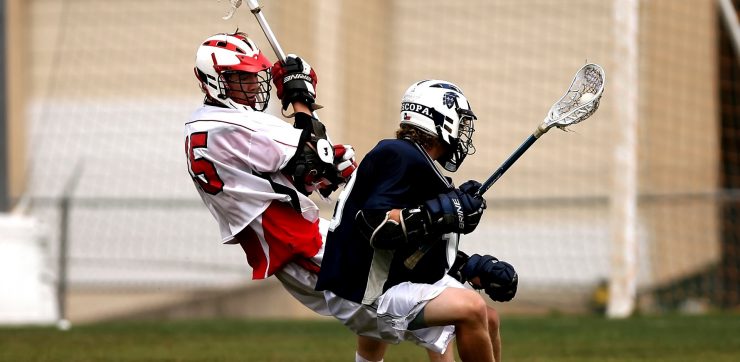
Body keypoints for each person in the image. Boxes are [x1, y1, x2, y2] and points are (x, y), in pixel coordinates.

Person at [184, 31, 393, 360]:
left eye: (254, 76)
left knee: (380, 312)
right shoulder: (235, 125)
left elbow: (305, 173)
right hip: (292, 240)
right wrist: (301, 99)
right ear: (212, 80)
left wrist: (326, 167)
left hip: (296, 227)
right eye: (240, 77)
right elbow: (316, 155)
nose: (252, 85)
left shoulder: (207, 123)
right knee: (414, 309)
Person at [316, 79, 519, 362]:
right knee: (470, 309)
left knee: (488, 317)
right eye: (460, 124)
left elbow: (414, 246)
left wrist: (467, 267)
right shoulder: (400, 154)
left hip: (378, 281)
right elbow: (377, 226)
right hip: (360, 290)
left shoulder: (417, 166)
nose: (463, 135)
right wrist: (443, 211)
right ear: (441, 120)